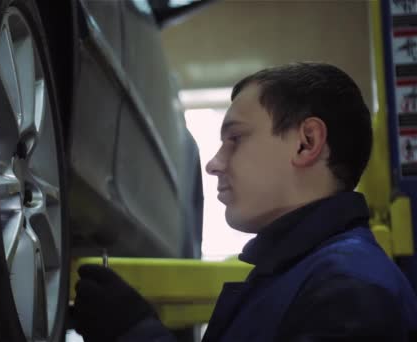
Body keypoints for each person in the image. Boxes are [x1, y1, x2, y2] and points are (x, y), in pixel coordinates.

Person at [72, 62, 417, 342]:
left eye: (235, 139)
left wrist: (137, 335)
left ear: (306, 142)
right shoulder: (308, 276)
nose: (214, 163)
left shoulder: (351, 291)